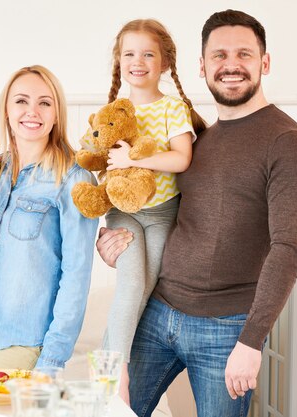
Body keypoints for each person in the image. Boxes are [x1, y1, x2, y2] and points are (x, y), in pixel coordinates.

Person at [96, 10, 297, 417]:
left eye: (244, 54)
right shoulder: (197, 136)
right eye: (219, 55)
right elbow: (157, 207)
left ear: (265, 63)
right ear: (202, 66)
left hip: (226, 330)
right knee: (100, 405)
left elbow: (289, 247)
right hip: (157, 309)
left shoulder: (286, 140)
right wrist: (110, 239)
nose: (230, 65)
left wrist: (250, 341)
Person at [91, 19, 207, 404]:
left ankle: (103, 371)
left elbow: (183, 158)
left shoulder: (172, 108)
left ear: (165, 63)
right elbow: (93, 155)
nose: (137, 61)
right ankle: (113, 378)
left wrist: (132, 157)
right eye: (129, 54)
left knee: (142, 288)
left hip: (161, 214)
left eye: (147, 54)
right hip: (124, 212)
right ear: (118, 61)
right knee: (129, 285)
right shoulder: (111, 111)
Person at [0, 66, 98, 370]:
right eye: (21, 101)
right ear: (5, 110)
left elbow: (76, 276)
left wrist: (51, 361)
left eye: (44, 102)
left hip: (25, 346)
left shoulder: (73, 179)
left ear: (57, 114)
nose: (32, 111)